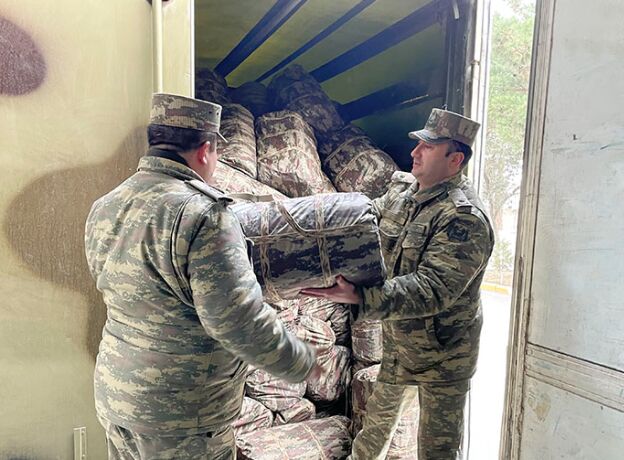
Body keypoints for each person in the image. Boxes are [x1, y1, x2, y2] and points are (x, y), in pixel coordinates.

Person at [85, 93, 317, 459]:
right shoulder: (204, 215)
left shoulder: (106, 205)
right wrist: (302, 361)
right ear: (206, 149)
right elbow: (238, 321)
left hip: (117, 397)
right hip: (181, 415)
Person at [303, 108, 495, 459]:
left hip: (444, 356)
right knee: (373, 432)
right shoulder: (403, 197)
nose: (414, 153)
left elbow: (431, 288)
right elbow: (362, 227)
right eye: (418, 144)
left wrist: (360, 295)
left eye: (428, 147)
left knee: (436, 448)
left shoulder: (464, 220)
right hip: (400, 345)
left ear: (455, 160)